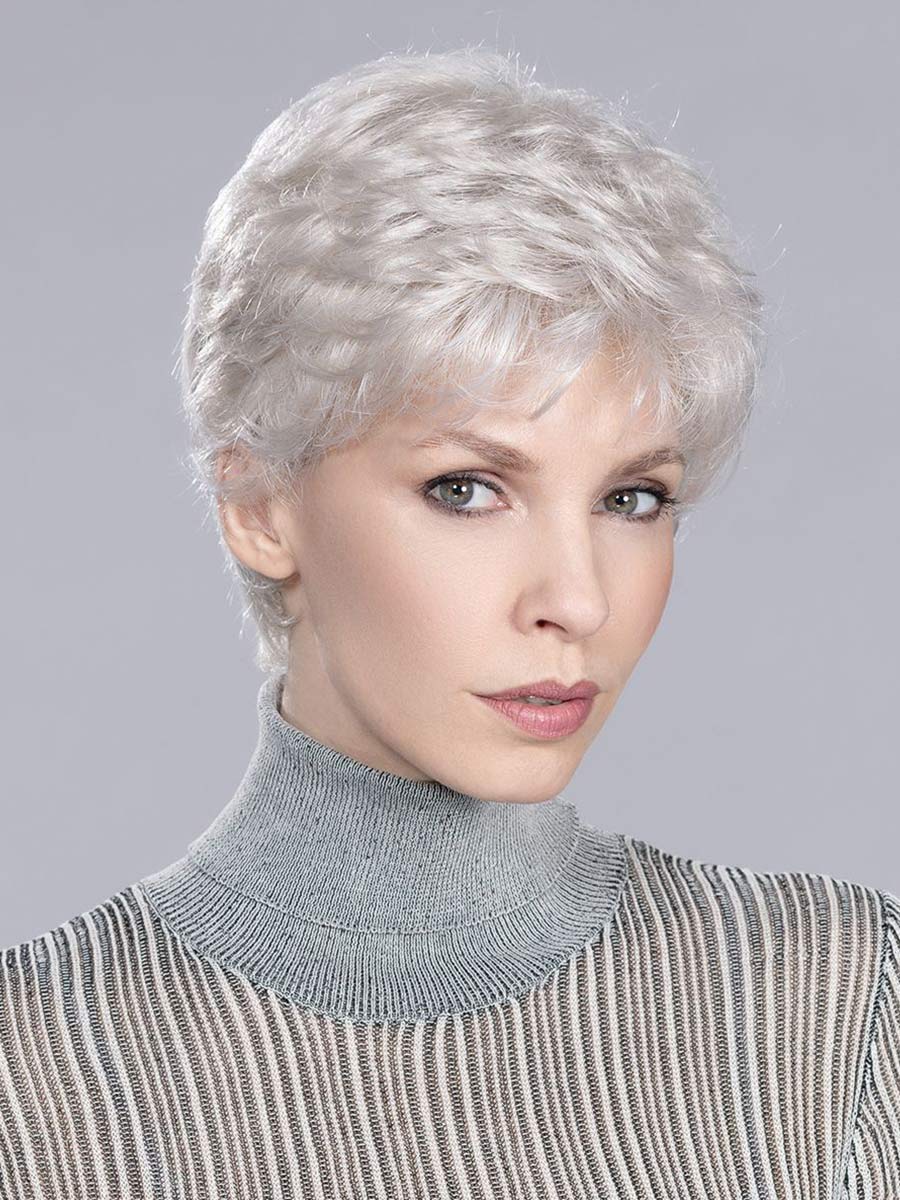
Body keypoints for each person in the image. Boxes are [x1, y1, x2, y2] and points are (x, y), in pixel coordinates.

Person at [1, 45, 897, 1200]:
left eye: (632, 499)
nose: (578, 599)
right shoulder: (36, 1075)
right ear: (259, 506)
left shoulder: (829, 1008)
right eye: (467, 489)